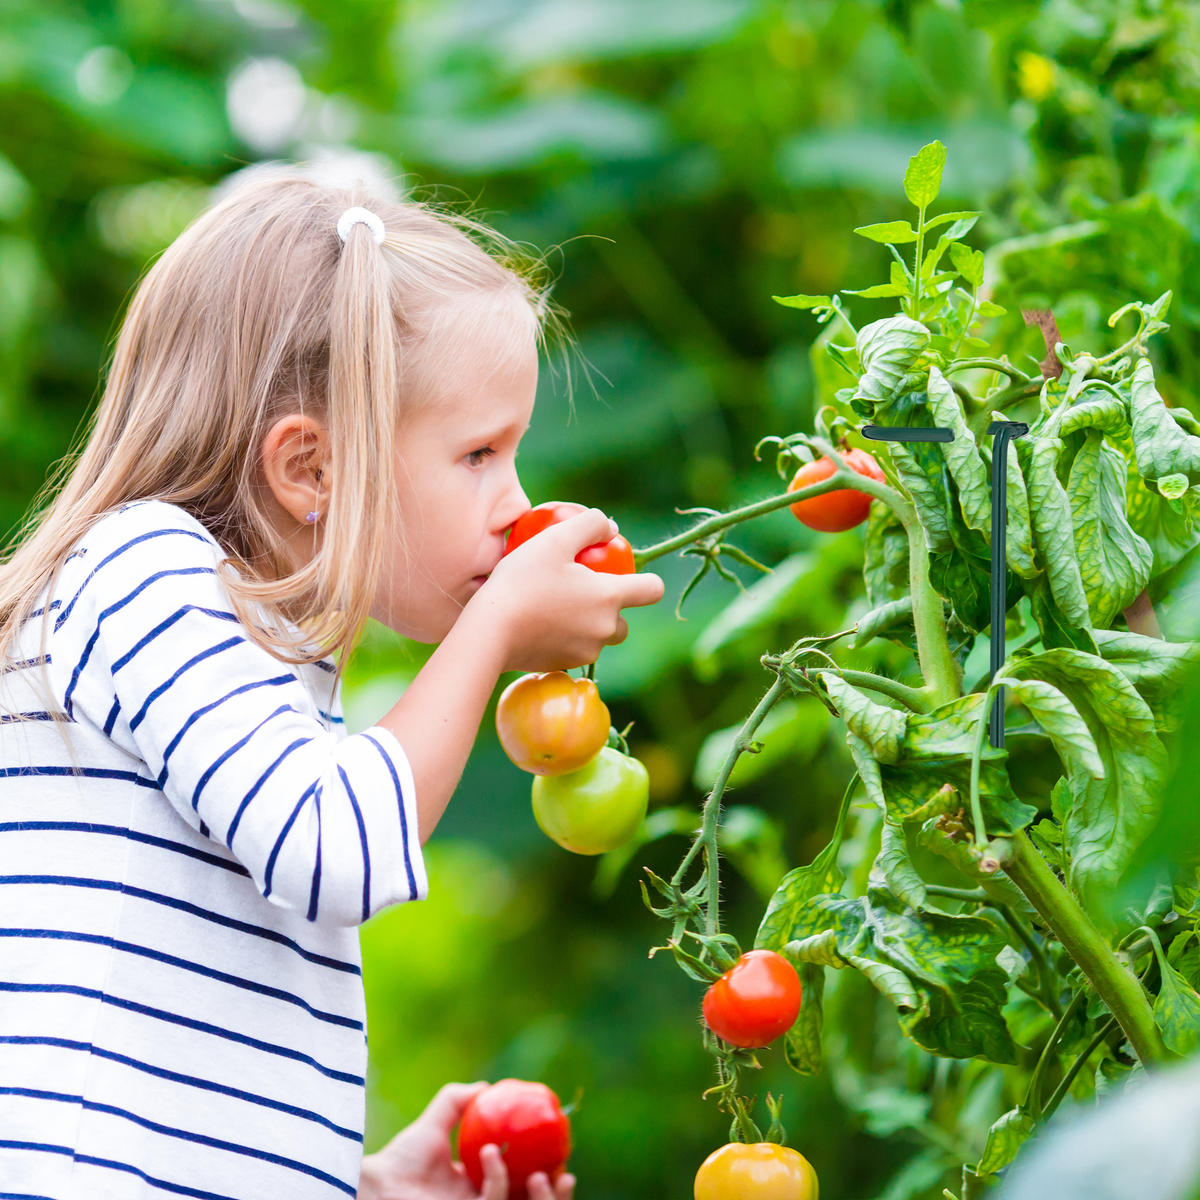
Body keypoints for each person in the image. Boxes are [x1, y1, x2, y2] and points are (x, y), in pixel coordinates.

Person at [0, 165, 665, 1199]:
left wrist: (364, 1186)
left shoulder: (259, 654)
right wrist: (493, 626)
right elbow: (331, 849)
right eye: (479, 454)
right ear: (308, 469)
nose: (515, 501)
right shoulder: (147, 573)